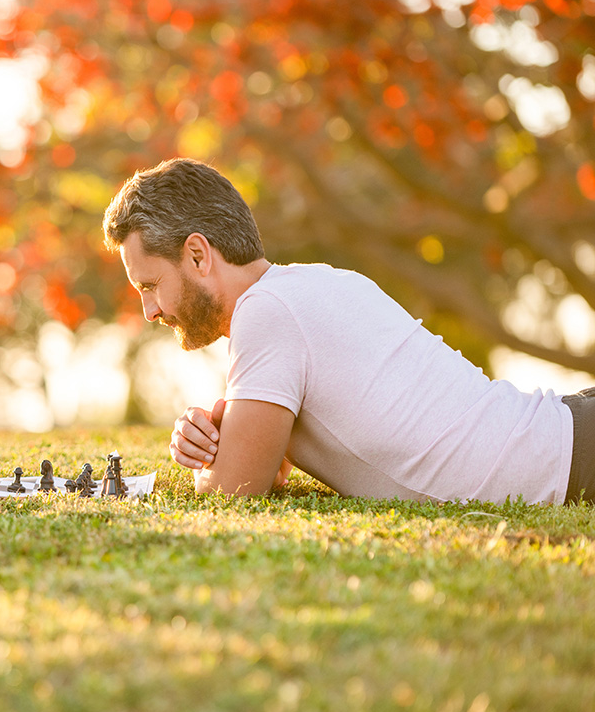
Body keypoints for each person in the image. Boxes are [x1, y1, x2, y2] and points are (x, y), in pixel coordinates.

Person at [103, 157, 594, 504]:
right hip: (573, 432)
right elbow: (270, 466)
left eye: (150, 285)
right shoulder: (312, 284)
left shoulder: (268, 312)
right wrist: (233, 440)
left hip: (575, 459)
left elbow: (235, 490)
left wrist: (212, 464)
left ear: (197, 254)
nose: (149, 311)